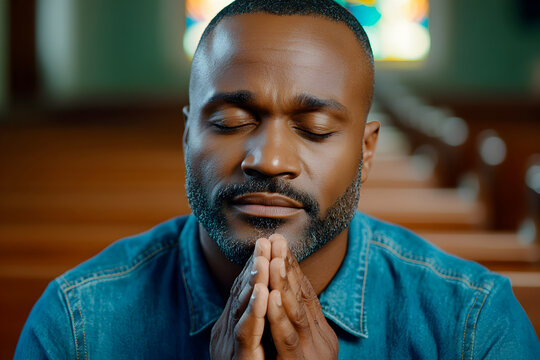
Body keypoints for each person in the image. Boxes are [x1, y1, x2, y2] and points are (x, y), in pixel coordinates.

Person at [15, 0, 539, 358]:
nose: (268, 160)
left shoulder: (473, 325)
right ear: (187, 135)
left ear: (367, 149)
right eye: (230, 123)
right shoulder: (76, 324)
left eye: (313, 129)